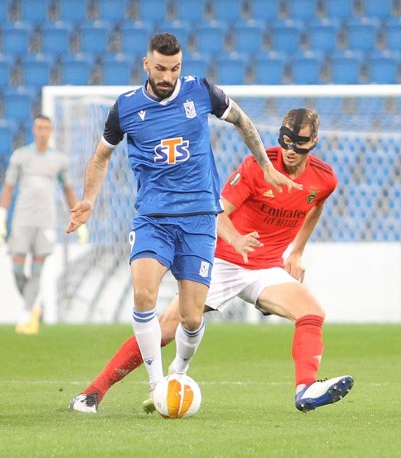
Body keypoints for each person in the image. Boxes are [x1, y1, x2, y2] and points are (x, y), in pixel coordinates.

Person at [66, 33, 300, 409]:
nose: (167, 75)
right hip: (153, 218)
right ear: (146, 64)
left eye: (174, 68)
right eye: (160, 68)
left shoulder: (200, 91)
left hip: (198, 220)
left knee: (190, 318)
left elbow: (242, 121)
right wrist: (89, 199)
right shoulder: (125, 108)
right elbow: (100, 157)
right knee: (144, 294)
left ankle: (179, 371)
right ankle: (158, 383)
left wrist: (267, 166)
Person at [69, 108, 354, 414]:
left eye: (299, 144)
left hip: (266, 268)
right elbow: (216, 211)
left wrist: (296, 252)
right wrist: (236, 239)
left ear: (314, 143)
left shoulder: (324, 179)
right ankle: (93, 393)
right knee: (165, 329)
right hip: (223, 261)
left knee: (312, 313)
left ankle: (305, 389)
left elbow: (316, 205)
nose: (290, 151)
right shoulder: (257, 166)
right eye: (285, 142)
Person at [0, 114, 88, 335]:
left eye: (46, 128)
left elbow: (68, 190)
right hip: (22, 219)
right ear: (34, 130)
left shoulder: (59, 160)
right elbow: (8, 187)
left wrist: (79, 220)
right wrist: (0, 216)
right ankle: (33, 306)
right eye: (39, 127)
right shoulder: (21, 156)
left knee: (37, 270)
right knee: (17, 268)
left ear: (51, 131)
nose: (42, 131)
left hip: (46, 221)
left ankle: (26, 314)